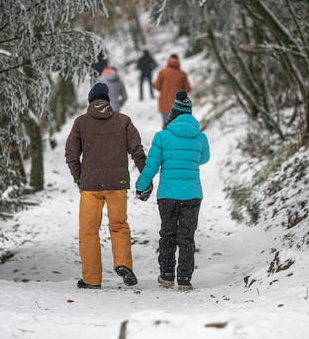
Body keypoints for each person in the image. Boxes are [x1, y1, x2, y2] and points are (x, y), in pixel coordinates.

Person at [65, 82, 146, 289]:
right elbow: (136, 149)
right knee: (119, 226)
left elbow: (71, 154)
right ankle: (122, 263)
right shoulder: (123, 121)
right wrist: (145, 176)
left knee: (89, 232)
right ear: (108, 101)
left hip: (90, 186)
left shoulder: (81, 122)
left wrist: (78, 178)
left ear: (91, 101)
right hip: (116, 184)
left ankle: (92, 279)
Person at [135, 91, 210, 291]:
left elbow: (152, 165)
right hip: (192, 193)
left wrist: (141, 185)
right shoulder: (200, 137)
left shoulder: (162, 136)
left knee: (167, 234)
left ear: (173, 113)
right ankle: (184, 280)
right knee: (187, 237)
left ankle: (167, 276)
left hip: (167, 194)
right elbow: (204, 159)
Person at [153, 54, 191, 125]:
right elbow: (187, 89)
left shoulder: (162, 72)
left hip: (164, 103)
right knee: (178, 126)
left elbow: (157, 86)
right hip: (178, 105)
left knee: (166, 125)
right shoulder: (182, 74)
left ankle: (166, 136)